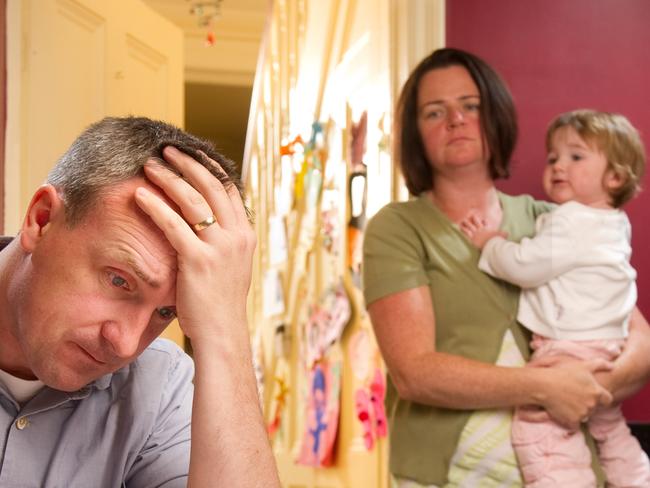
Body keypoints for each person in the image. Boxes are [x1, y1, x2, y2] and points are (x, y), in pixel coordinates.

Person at [362, 48, 650, 488]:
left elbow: (638, 340)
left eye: (471, 106)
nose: (456, 119)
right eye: (434, 112)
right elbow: (414, 373)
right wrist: (548, 388)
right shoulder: (398, 228)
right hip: (450, 475)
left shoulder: (553, 219)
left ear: (495, 116)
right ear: (416, 135)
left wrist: (586, 383)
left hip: (572, 470)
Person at [0, 117, 281, 487]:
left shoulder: (161, 388)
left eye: (166, 312)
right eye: (120, 280)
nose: (126, 343)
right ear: (42, 219)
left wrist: (225, 328)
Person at [460, 109, 650, 487]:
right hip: (607, 344)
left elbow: (525, 266)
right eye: (553, 157)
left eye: (576, 157)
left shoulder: (572, 220)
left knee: (540, 430)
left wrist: (491, 242)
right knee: (608, 426)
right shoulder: (614, 221)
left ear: (614, 176)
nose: (559, 165)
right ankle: (637, 478)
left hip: (570, 347)